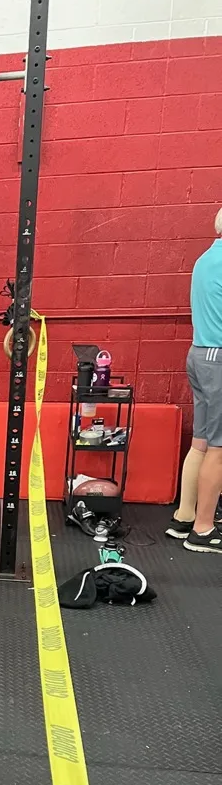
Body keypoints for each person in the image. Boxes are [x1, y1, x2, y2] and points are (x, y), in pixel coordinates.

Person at [166, 207, 222, 553]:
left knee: (202, 440)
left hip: (199, 354)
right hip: (218, 358)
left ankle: (185, 515)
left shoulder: (205, 259)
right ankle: (203, 529)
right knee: (220, 447)